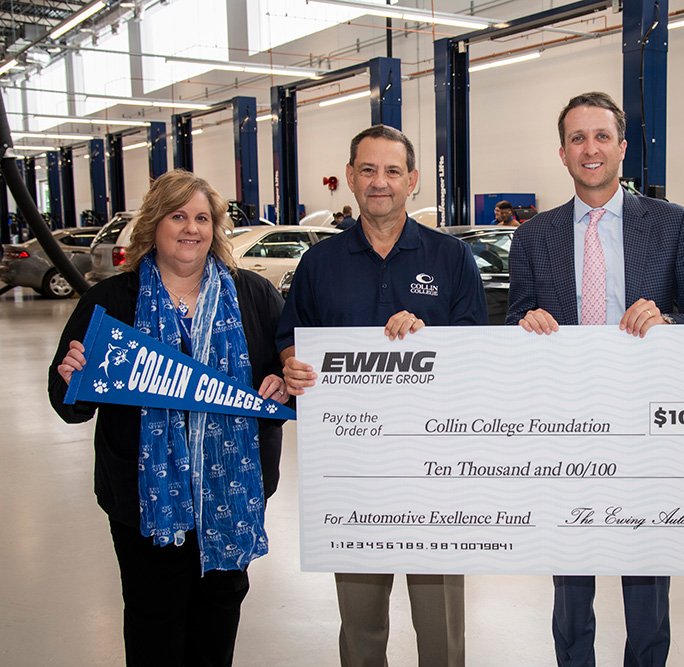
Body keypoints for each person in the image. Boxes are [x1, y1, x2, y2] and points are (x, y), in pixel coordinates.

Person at [505, 92, 684, 667]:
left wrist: (669, 320)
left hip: (646, 428)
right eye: (577, 138)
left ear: (623, 148)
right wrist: (526, 323)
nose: (590, 148)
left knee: (647, 576)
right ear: (562, 153)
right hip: (565, 427)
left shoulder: (672, 224)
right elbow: (512, 325)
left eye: (601, 136)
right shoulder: (533, 237)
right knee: (570, 579)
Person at [48, 169, 289, 666]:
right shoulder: (113, 301)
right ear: (154, 224)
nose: (191, 228)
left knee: (219, 615)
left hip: (231, 494)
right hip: (144, 499)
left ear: (215, 229)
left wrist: (284, 384)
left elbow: (286, 381)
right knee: (153, 617)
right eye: (178, 215)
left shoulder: (254, 297)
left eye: (202, 218)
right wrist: (70, 376)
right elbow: (70, 402)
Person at [278, 124, 487, 667]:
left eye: (392, 171)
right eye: (368, 170)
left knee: (440, 624)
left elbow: (476, 351)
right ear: (349, 178)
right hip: (352, 472)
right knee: (361, 623)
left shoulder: (450, 259)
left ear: (413, 180)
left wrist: (430, 340)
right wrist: (290, 367)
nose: (380, 182)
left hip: (436, 469)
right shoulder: (318, 265)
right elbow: (290, 339)